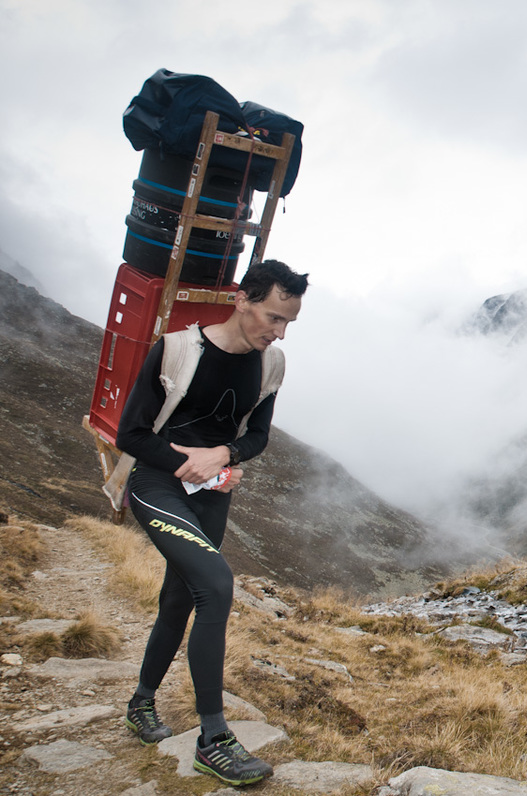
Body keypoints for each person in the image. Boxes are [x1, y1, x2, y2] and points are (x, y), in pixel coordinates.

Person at [116, 259, 306, 787]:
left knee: (182, 598)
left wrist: (223, 455)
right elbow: (130, 435)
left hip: (210, 493)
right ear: (241, 300)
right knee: (218, 583)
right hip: (157, 484)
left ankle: (141, 703)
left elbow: (258, 436)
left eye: (288, 322)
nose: (279, 331)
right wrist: (188, 463)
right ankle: (213, 739)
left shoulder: (271, 365)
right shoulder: (177, 350)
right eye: (272, 316)